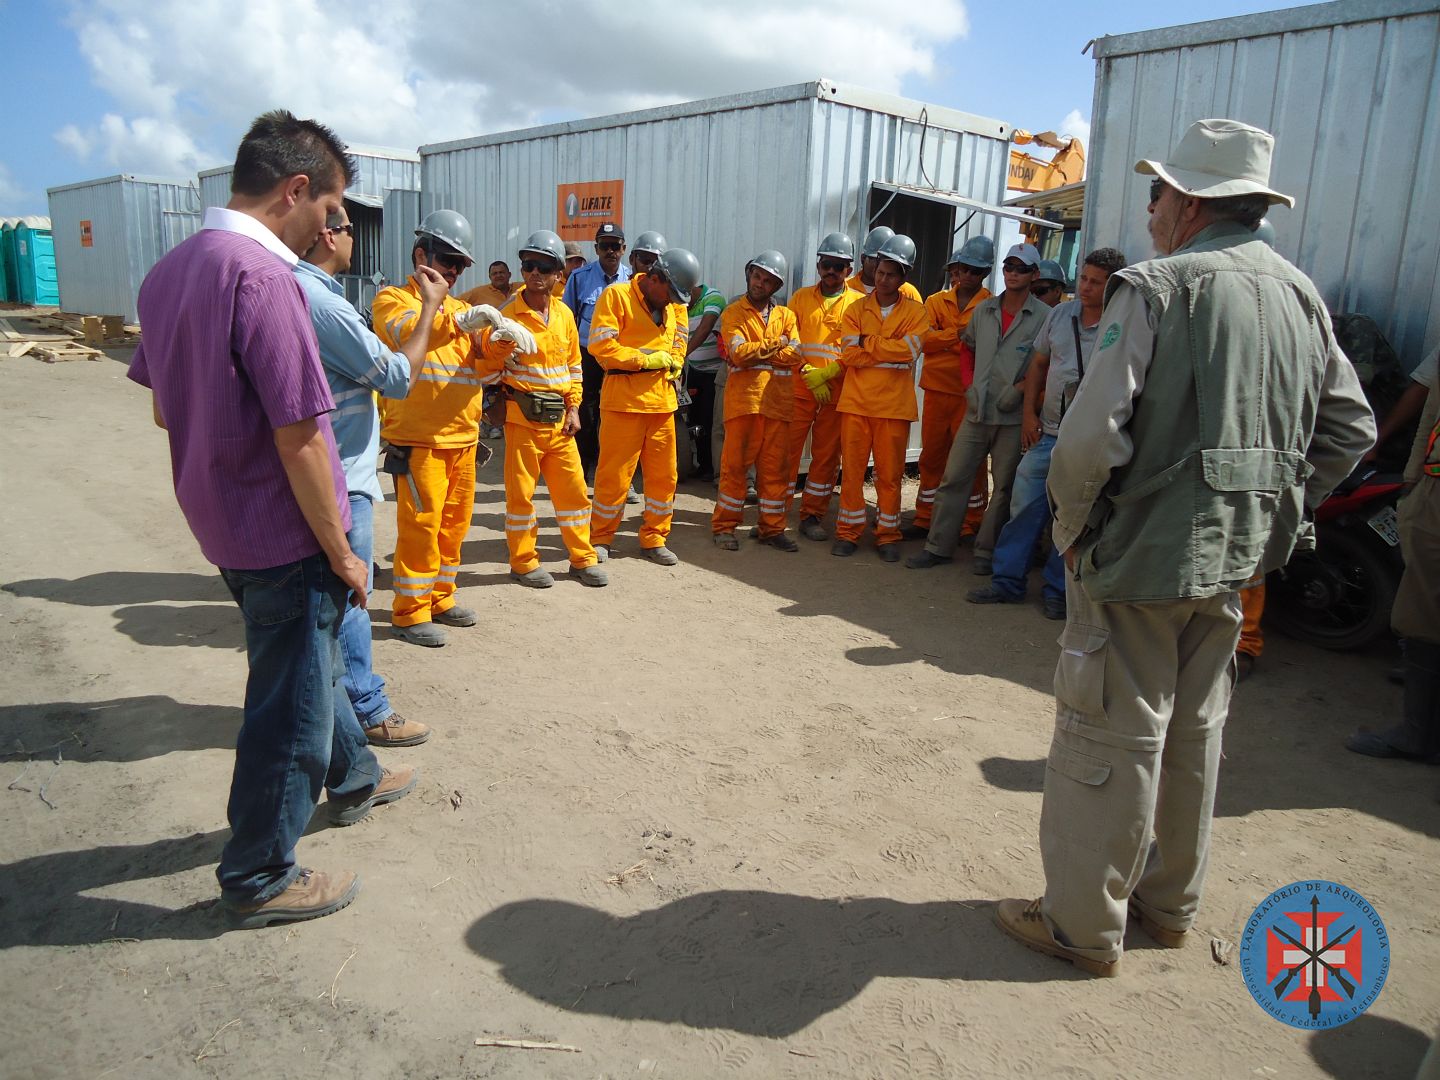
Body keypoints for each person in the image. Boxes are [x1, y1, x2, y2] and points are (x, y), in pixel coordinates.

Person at [993, 118, 1374, 977]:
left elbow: (1088, 441)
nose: (1153, 208)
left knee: (1109, 736)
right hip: (1236, 560)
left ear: (1193, 202)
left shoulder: (1158, 287)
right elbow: (1351, 428)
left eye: (1161, 193)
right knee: (1196, 734)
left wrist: (1074, 530)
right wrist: (1279, 502)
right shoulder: (1300, 294)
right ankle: (1168, 908)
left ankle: (1082, 927)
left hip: (1138, 559)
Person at [129, 110, 421, 929]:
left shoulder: (173, 268)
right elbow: (299, 439)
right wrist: (344, 552)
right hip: (285, 531)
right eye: (329, 210)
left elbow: (165, 413)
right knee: (285, 707)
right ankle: (260, 872)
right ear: (295, 190)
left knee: (306, 667)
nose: (329, 228)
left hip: (223, 519)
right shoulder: (266, 280)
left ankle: (356, 774)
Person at [295, 205, 449, 746]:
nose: (353, 239)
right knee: (353, 597)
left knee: (331, 604)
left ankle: (337, 712)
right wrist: (436, 309)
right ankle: (365, 709)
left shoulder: (302, 293)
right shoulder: (329, 303)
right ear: (325, 234)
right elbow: (396, 375)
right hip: (340, 474)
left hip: (337, 464)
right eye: (346, 229)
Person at [374, 210, 536, 647]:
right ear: (420, 254)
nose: (453, 271)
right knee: (422, 528)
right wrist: (461, 321)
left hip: (463, 439)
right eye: (447, 260)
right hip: (420, 439)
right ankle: (409, 612)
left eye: (460, 264)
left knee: (453, 527)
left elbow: (481, 356)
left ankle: (440, 598)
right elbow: (409, 332)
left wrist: (503, 338)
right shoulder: (393, 301)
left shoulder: (464, 310)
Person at [967, 248, 1126, 620]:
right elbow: (1038, 364)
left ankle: (1059, 591)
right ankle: (1006, 582)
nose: (1085, 287)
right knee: (1024, 506)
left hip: (1088, 441)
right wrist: (1029, 417)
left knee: (1072, 520)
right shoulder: (1059, 314)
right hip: (1048, 434)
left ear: (1112, 286)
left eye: (1095, 282)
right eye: (1083, 278)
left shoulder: (1121, 324)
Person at [906, 243, 1050, 575]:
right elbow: (967, 350)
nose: (1013, 273)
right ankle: (938, 546)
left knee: (1002, 486)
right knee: (953, 477)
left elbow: (1048, 362)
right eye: (1009, 267)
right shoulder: (985, 312)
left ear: (1034, 274)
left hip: (1012, 417)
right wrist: (969, 385)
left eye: (1021, 268)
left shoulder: (1045, 317)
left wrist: (1020, 390)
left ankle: (986, 551)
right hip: (977, 410)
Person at [477, 230, 607, 589]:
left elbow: (574, 367)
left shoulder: (565, 315)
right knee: (521, 497)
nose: (535, 272)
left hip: (560, 423)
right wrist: (501, 345)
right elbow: (486, 372)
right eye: (529, 265)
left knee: (574, 494)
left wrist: (575, 409)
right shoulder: (506, 316)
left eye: (544, 266)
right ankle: (523, 563)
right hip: (522, 420)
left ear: (558, 275)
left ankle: (582, 559)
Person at [1346, 346, 1439, 764]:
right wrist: (1413, 484)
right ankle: (1417, 732)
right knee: (1420, 613)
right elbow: (1430, 409)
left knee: (1423, 612)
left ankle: (1419, 736)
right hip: (1432, 494)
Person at [818, 233, 927, 561]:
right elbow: (849, 354)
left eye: (891, 274)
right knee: (851, 472)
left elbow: (909, 353)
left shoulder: (916, 312)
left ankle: (887, 535)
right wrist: (886, 349)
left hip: (893, 409)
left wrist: (869, 342)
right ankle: (848, 533)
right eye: (880, 271)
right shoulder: (855, 309)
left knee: (890, 475)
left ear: (903, 277)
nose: (882, 279)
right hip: (857, 404)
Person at [587, 247, 698, 564]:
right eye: (671, 293)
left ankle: (655, 537)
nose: (674, 302)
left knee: (665, 478)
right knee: (614, 477)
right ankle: (600, 538)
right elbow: (601, 345)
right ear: (655, 277)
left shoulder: (675, 305)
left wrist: (676, 361)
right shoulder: (616, 297)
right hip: (624, 403)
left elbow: (680, 337)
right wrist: (644, 360)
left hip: (662, 404)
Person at [712, 250, 800, 550]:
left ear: (776, 286)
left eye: (767, 280)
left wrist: (763, 350)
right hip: (744, 404)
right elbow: (738, 353)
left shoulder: (787, 316)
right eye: (757, 276)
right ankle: (724, 527)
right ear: (749, 275)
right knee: (735, 469)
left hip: (777, 405)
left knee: (776, 470)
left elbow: (797, 355)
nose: (759, 283)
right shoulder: (734, 313)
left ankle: (772, 529)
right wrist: (779, 344)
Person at [908, 237, 994, 540]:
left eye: (976, 271)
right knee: (931, 455)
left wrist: (943, 337)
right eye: (965, 269)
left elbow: (987, 349)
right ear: (957, 268)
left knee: (971, 460)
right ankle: (924, 516)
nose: (969, 275)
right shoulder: (934, 301)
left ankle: (972, 521)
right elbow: (923, 342)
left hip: (969, 394)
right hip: (936, 390)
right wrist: (958, 337)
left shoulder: (991, 305)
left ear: (985, 273)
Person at [788, 232, 863, 541]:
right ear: (818, 265)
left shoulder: (859, 304)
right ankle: (773, 512)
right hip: (800, 386)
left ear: (849, 269)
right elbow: (788, 339)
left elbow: (856, 349)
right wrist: (807, 371)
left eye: (839, 266)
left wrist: (829, 372)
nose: (831, 271)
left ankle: (812, 515)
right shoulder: (801, 297)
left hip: (836, 390)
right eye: (826, 264)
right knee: (786, 452)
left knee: (826, 456)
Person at [562, 222, 633, 480]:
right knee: (587, 412)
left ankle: (618, 474)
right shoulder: (579, 278)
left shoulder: (634, 280)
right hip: (587, 354)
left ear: (624, 249)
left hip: (620, 356)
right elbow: (567, 319)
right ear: (596, 248)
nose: (610, 251)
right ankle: (582, 468)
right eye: (605, 246)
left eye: (615, 246)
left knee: (618, 415)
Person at [684, 276, 727, 479]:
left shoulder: (714, 298)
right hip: (694, 371)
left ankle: (711, 467)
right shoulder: (680, 303)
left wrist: (681, 354)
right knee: (695, 421)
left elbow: (705, 329)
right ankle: (701, 464)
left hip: (714, 373)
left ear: (691, 287)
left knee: (711, 421)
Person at [847, 225, 922, 303]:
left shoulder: (908, 292)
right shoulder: (846, 287)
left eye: (887, 260)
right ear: (863, 259)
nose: (881, 264)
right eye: (876, 259)